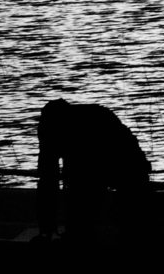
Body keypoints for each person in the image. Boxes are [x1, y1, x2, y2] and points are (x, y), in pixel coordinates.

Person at [36, 99, 151, 241]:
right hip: (100, 167)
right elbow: (47, 177)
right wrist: (46, 229)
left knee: (83, 194)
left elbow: (78, 181)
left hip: (127, 166)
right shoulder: (49, 129)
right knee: (77, 191)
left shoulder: (86, 126)